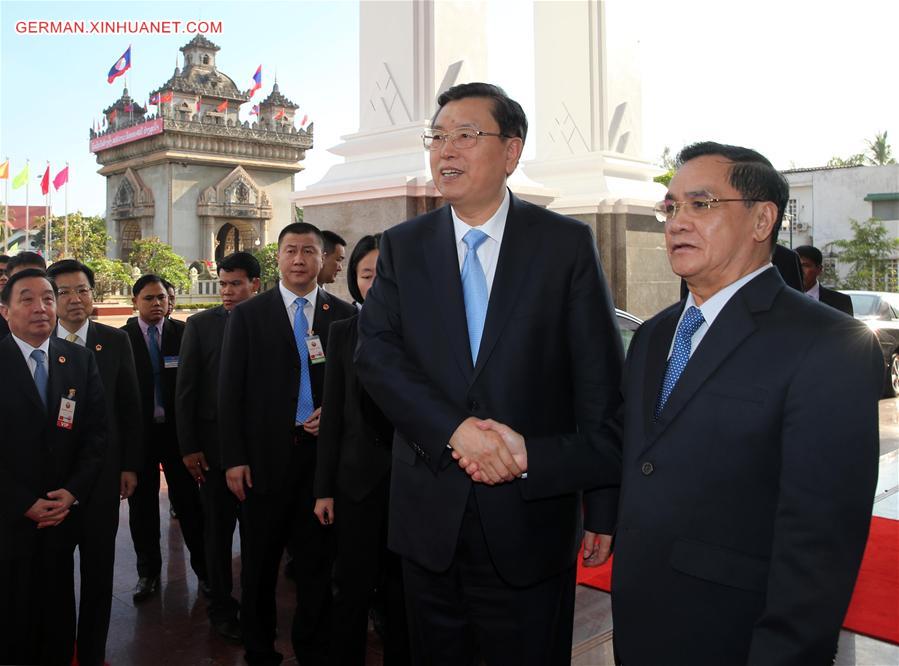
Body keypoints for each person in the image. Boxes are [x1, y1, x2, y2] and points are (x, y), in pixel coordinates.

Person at [355, 82, 623, 665]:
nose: (446, 150)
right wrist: (455, 430)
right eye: (438, 137)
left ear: (511, 151)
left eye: (466, 135)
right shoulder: (404, 247)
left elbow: (597, 381)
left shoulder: (564, 244)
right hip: (430, 521)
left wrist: (603, 506)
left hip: (532, 517)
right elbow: (376, 356)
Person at [606, 142, 882, 664]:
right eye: (671, 207)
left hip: (736, 636)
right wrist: (528, 453)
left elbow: (819, 542)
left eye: (701, 204)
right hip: (641, 624)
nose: (677, 222)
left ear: (762, 221)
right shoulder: (654, 336)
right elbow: (631, 452)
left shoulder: (827, 344)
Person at [219, 222, 355, 665]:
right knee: (259, 564)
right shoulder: (248, 315)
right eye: (290, 251)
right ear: (277, 257)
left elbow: (356, 388)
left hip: (320, 465)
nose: (299, 260)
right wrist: (235, 458)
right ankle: (260, 649)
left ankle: (312, 647)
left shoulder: (343, 315)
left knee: (316, 566)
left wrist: (331, 412)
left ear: (323, 259)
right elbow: (229, 392)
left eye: (309, 252)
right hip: (262, 462)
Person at [0, 268, 106, 665]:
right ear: (5, 311)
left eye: (47, 298)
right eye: (27, 299)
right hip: (10, 521)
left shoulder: (77, 359)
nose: (41, 307)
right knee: (13, 624)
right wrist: (22, 502)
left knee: (59, 619)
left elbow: (96, 435)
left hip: (61, 517)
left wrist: (73, 492)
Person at [313, 234, 409, 665]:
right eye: (367, 274)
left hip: (411, 484)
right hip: (355, 485)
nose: (376, 282)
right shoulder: (342, 332)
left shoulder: (424, 332)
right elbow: (333, 415)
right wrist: (324, 489)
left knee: (402, 592)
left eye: (385, 274)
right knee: (350, 589)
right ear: (355, 279)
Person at [46, 259, 143, 666]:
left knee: (99, 572)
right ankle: (58, 648)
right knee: (53, 577)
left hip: (103, 478)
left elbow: (130, 407)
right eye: (63, 292)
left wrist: (130, 466)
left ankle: (92, 652)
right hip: (54, 484)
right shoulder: (39, 342)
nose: (74, 300)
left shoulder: (114, 341)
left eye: (81, 290)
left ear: (93, 293)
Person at [176, 251, 261, 643]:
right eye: (223, 284)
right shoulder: (200, 325)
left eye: (235, 284)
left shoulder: (269, 322)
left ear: (255, 285)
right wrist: (190, 447)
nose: (227, 292)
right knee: (218, 533)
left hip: (261, 451)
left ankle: (259, 608)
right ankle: (221, 608)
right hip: (212, 453)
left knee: (259, 535)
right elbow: (186, 391)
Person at [122, 274, 207, 602]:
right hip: (140, 437)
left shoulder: (184, 334)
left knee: (189, 505)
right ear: (135, 302)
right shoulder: (122, 339)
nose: (157, 304)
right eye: (148, 298)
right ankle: (148, 574)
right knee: (142, 509)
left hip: (177, 437)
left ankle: (205, 572)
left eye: (161, 297)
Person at [795, 244, 854, 315]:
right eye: (795, 265)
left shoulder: (841, 301)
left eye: (805, 266)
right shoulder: (783, 299)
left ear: (819, 269)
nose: (799, 270)